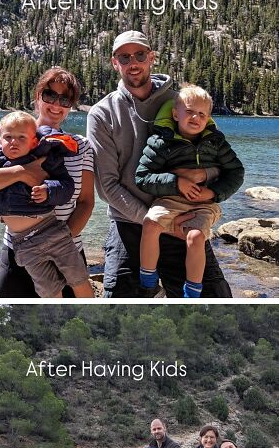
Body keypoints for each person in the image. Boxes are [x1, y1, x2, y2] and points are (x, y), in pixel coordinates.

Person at [87, 30, 232, 297]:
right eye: (124, 57)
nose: (133, 62)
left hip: (186, 215)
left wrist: (204, 177)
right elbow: (107, 186)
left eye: (140, 54)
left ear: (151, 58)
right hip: (130, 222)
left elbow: (219, 159)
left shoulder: (184, 103)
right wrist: (155, 221)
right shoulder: (102, 114)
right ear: (114, 62)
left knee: (215, 299)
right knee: (118, 300)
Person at [0, 68, 95, 299]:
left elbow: (86, 202)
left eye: (65, 100)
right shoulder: (9, 135)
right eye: (50, 95)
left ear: (71, 106)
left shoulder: (80, 146)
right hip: (18, 250)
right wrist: (22, 172)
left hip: (66, 250)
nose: (56, 105)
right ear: (37, 97)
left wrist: (57, 240)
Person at [0, 111, 94, 297]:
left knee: (79, 279)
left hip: (52, 231)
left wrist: (49, 190)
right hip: (23, 242)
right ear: (0, 139)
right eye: (8, 137)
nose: (14, 142)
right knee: (49, 290)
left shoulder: (43, 156)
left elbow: (67, 186)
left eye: (21, 138)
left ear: (33, 142)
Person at [136, 86, 245, 298]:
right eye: (189, 111)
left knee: (195, 238)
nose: (196, 117)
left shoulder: (216, 143)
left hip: (204, 203)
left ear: (208, 118)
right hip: (170, 199)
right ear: (175, 114)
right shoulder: (161, 142)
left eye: (202, 114)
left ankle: (193, 289)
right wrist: (176, 183)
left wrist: (213, 193)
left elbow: (236, 172)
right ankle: (148, 277)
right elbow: (142, 177)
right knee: (150, 223)